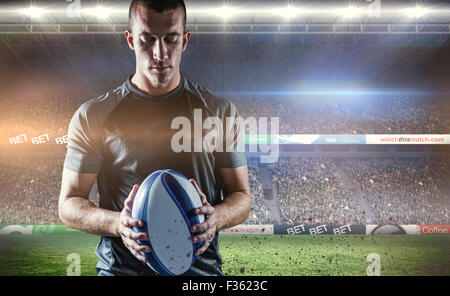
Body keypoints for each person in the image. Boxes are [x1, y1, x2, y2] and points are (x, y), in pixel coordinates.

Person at [58, 0, 251, 276]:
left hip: (200, 276)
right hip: (122, 272)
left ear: (185, 41)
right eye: (147, 40)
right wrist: (118, 224)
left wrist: (216, 218)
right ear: (130, 39)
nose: (160, 53)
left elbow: (242, 196)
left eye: (170, 39)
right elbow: (69, 204)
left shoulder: (220, 113)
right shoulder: (94, 116)